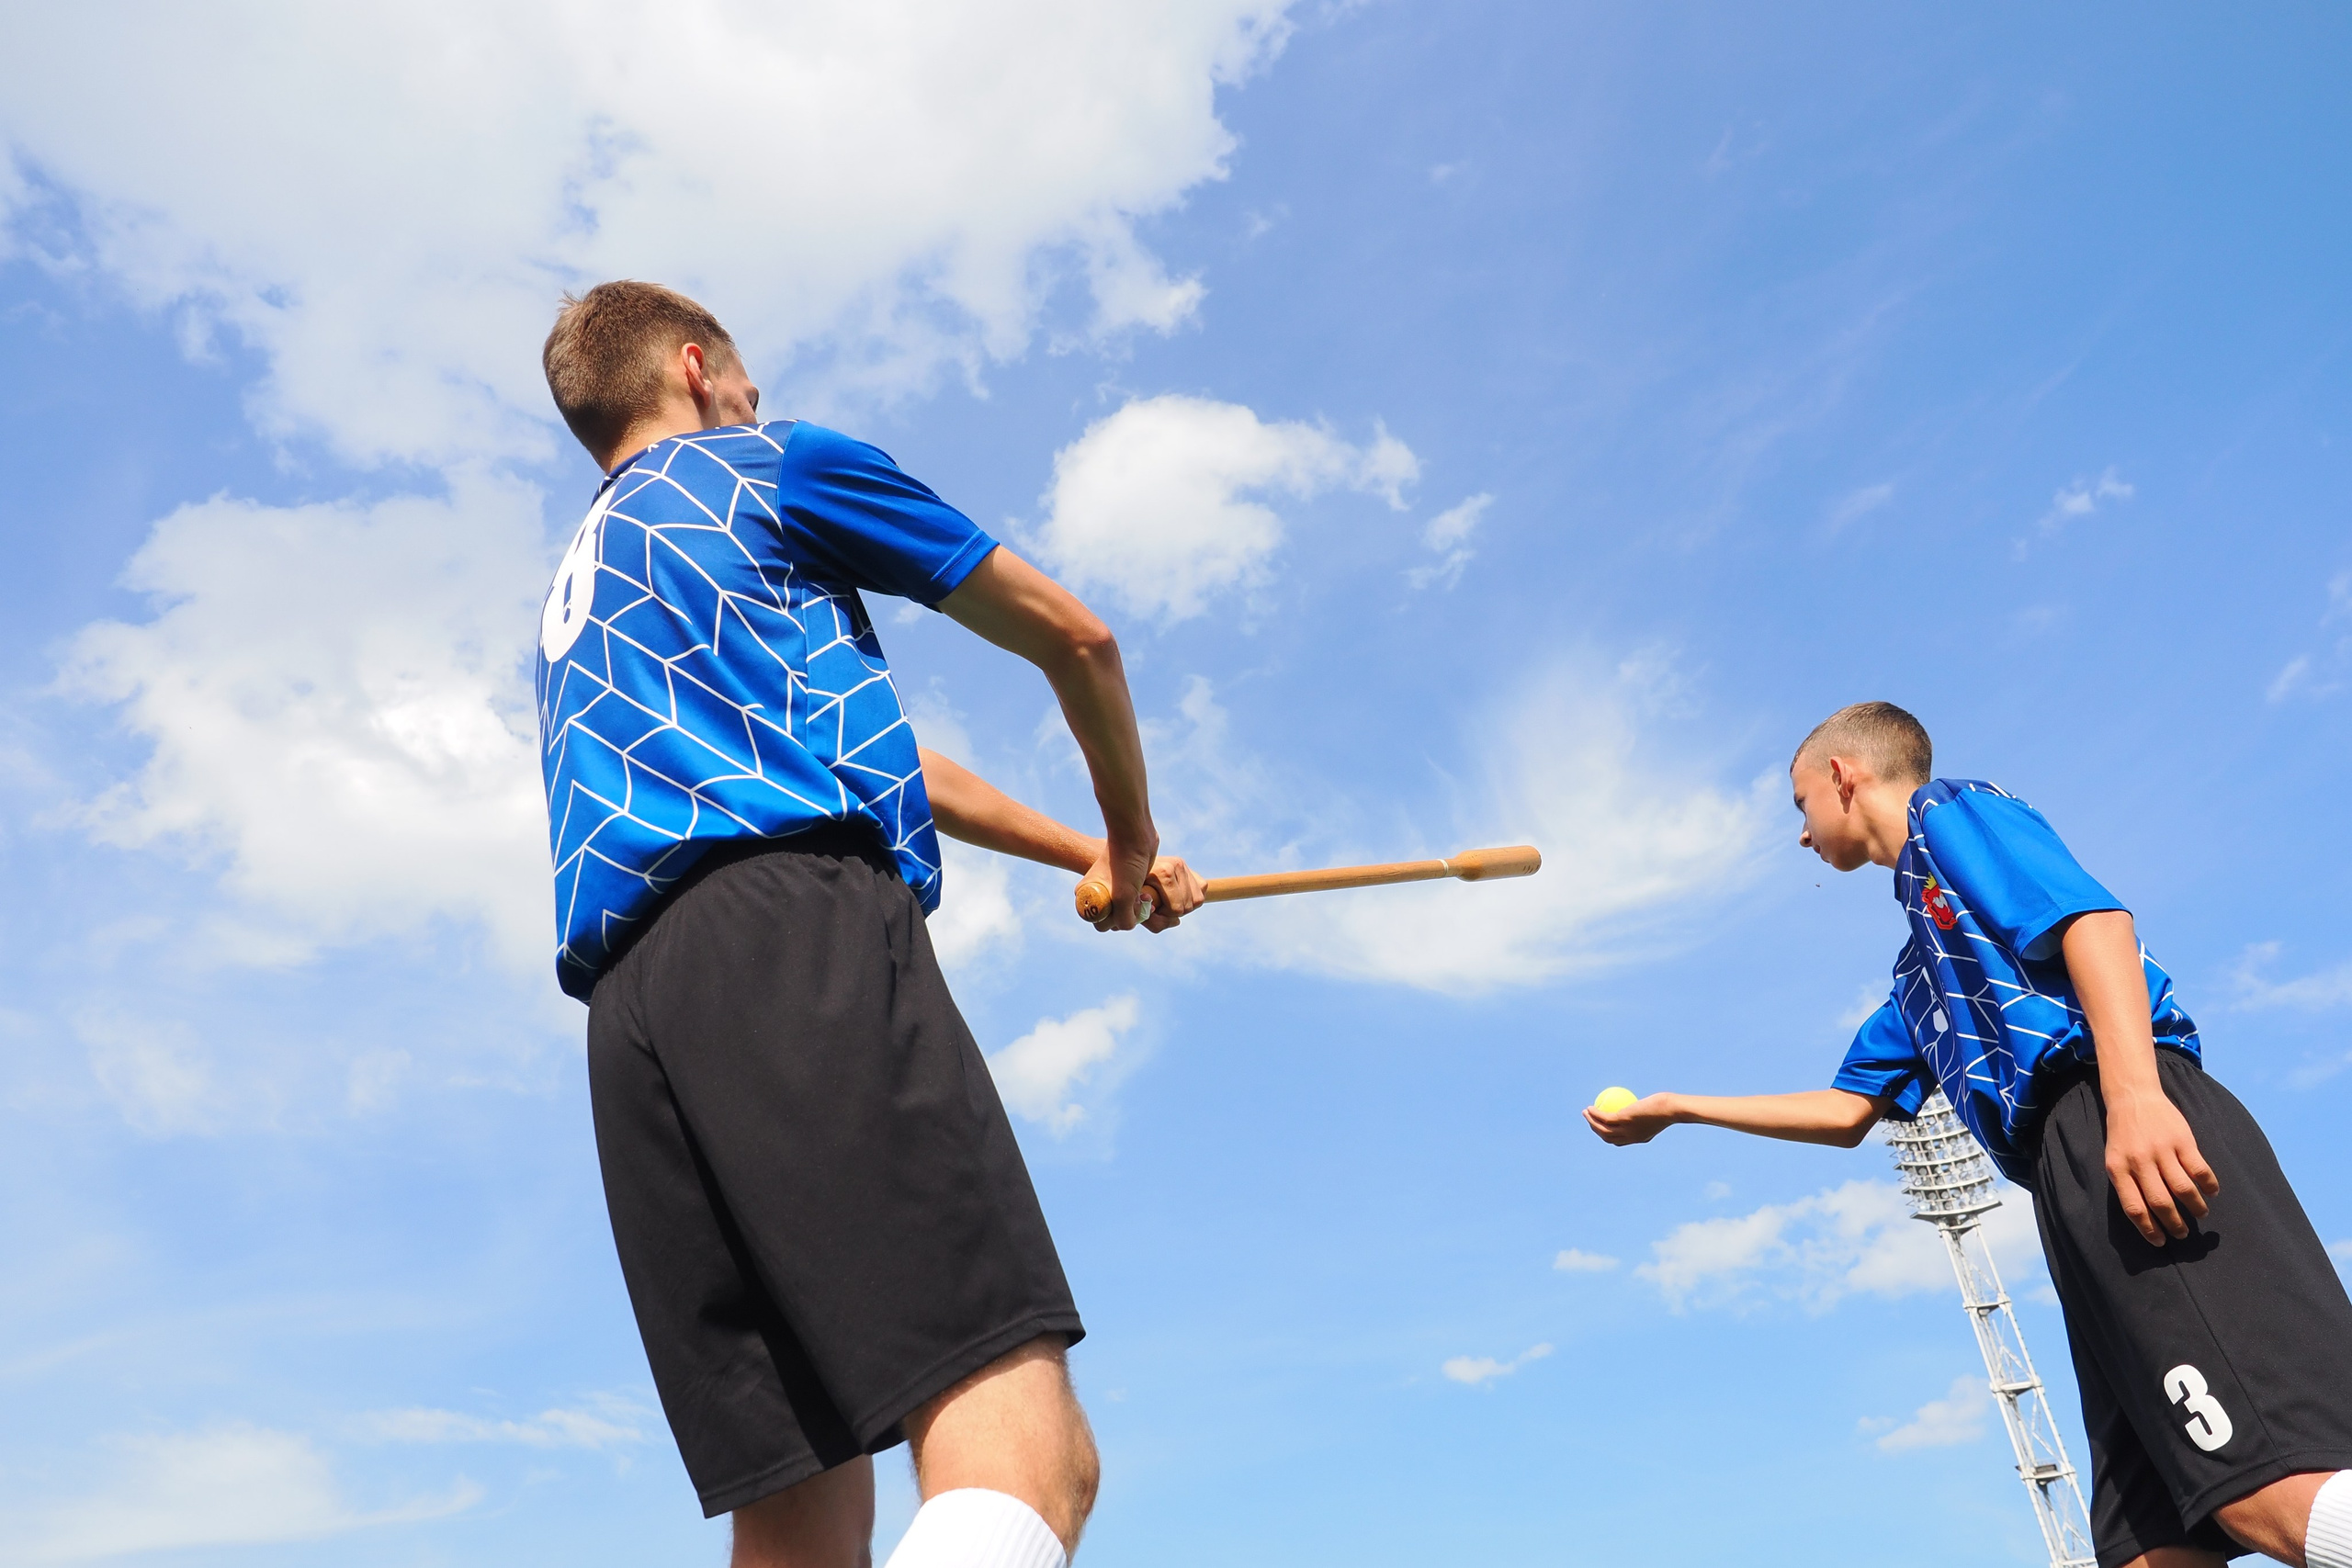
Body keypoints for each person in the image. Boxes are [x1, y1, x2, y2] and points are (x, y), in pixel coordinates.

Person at [535, 280, 1204, 1568]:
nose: (755, 400)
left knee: (799, 1512)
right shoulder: (767, 467)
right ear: (694, 367)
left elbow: (874, 745)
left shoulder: (591, 583)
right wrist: (1134, 837)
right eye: (745, 381)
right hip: (794, 944)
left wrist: (1092, 851)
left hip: (638, 1023)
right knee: (1027, 1446)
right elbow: (1079, 637)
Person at [1587, 701, 2352, 1568]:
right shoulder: (1921, 969)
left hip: (2117, 1113)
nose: (1801, 835)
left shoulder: (1952, 813)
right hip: (2065, 1184)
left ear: (1842, 776)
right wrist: (1676, 1106)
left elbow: (2096, 924)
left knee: (2269, 1488)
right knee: (2153, 1547)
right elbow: (1846, 1113)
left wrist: (2133, 1097)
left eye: (1800, 806)